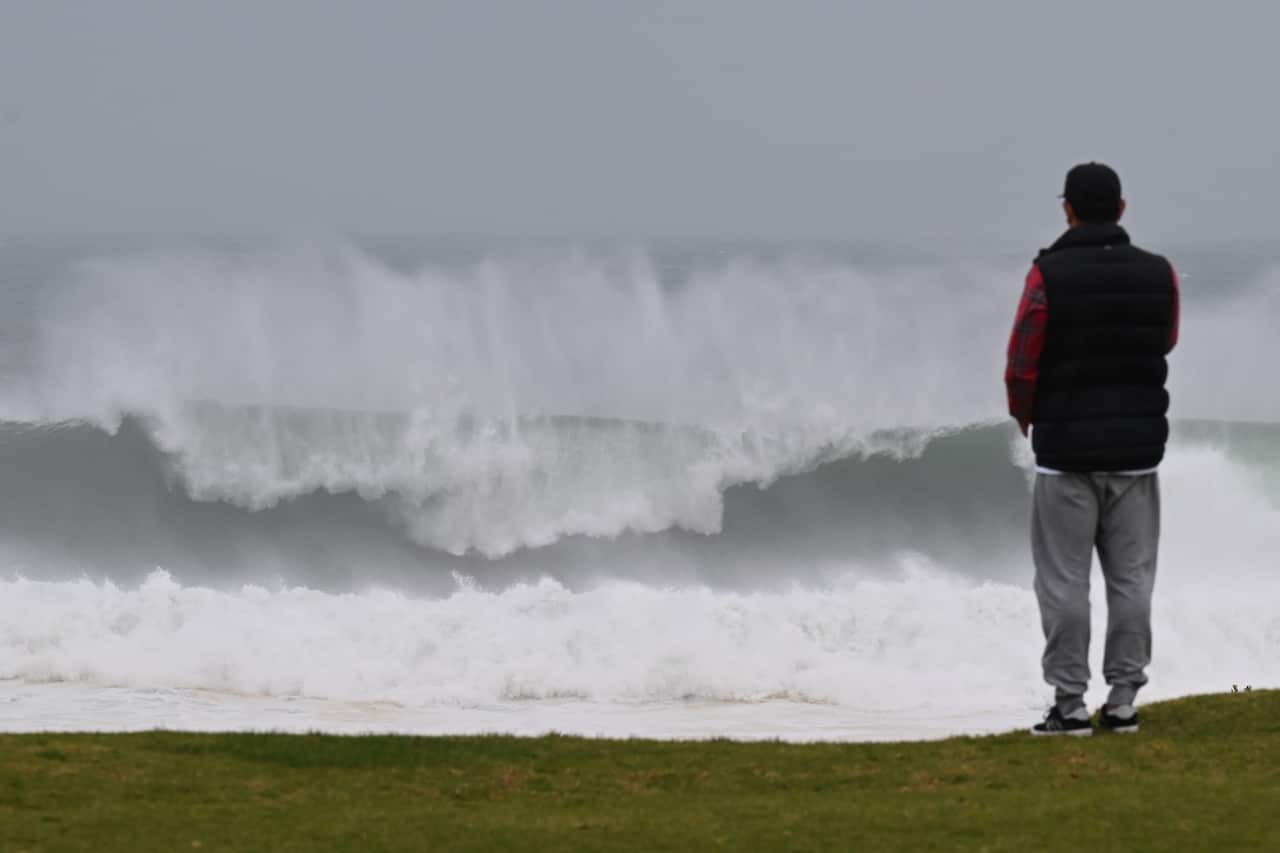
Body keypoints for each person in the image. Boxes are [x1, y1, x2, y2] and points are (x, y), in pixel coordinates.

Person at [1005, 162, 1180, 736]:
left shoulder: (1047, 275)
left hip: (1066, 455)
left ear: (1068, 209)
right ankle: (1124, 701)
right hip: (1135, 455)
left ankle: (1070, 703)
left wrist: (1027, 419)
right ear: (1122, 209)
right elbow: (1167, 338)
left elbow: (1022, 362)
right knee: (1131, 579)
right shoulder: (1160, 273)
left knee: (1064, 582)